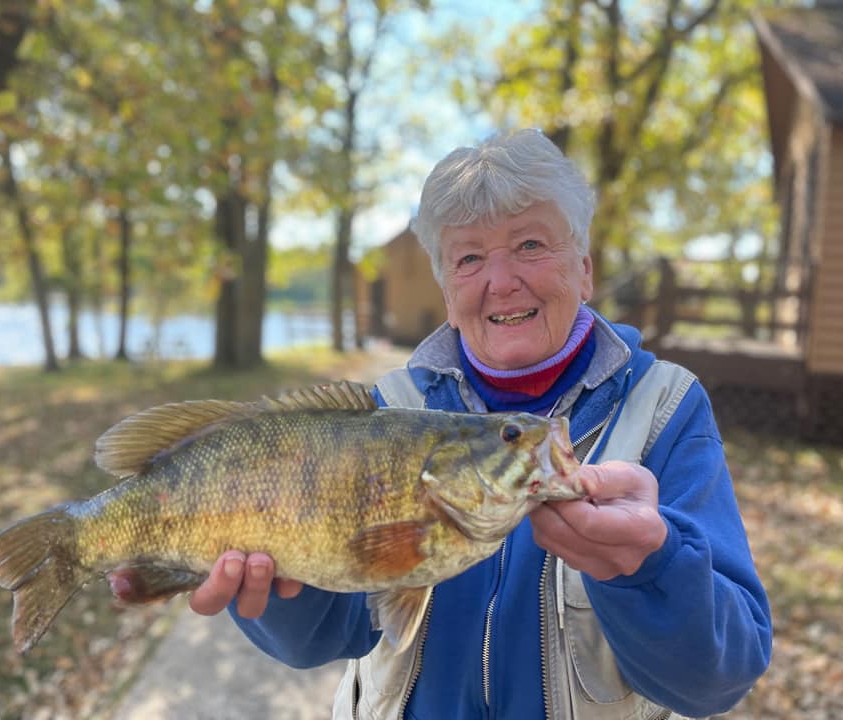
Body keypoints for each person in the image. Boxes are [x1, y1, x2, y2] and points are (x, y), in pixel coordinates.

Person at [184, 129, 772, 719]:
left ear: (585, 269)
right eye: (469, 257)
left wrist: (655, 564)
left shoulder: (667, 408)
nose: (502, 280)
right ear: (446, 290)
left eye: (531, 245)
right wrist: (276, 585)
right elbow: (322, 638)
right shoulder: (384, 409)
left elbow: (716, 680)